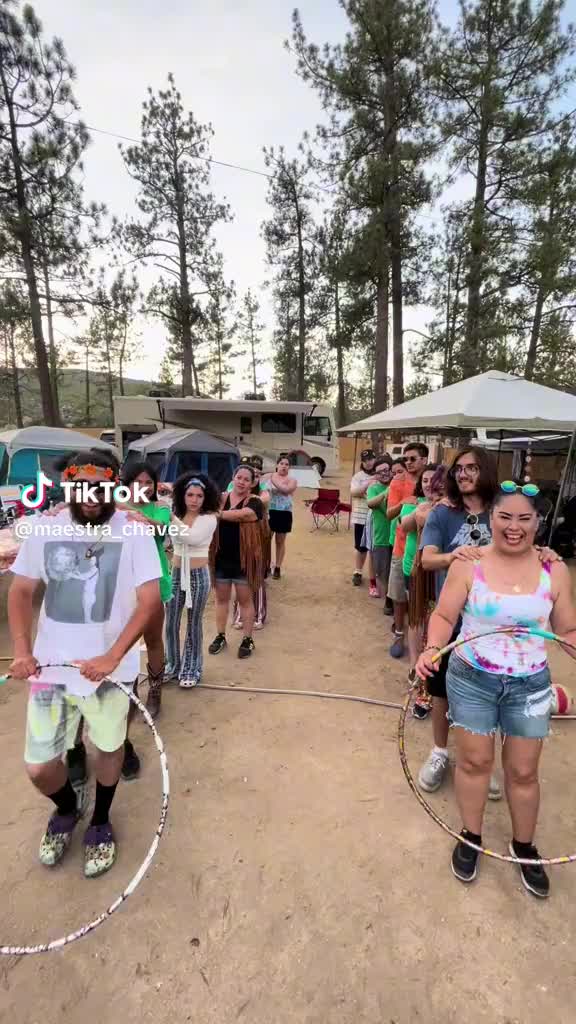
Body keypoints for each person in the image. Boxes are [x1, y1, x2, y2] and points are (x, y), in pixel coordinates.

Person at [416, 482, 576, 899]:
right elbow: (445, 613)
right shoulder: (468, 563)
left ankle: (524, 846)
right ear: (491, 519)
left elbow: (566, 627)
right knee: (474, 763)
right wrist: (433, 648)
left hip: (530, 683)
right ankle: (471, 836)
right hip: (471, 678)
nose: (514, 527)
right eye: (505, 517)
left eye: (525, 518)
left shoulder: (553, 569)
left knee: (523, 771)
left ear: (539, 523)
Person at [7, 449, 162, 877]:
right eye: (82, 486)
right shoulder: (45, 527)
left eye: (100, 486)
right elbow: (20, 592)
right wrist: (23, 649)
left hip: (112, 673)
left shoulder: (132, 532)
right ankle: (68, 807)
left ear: (113, 486)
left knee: (109, 748)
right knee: (39, 767)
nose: (91, 495)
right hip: (51, 671)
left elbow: (149, 602)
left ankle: (100, 820)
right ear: (69, 486)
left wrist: (113, 656)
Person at [163, 473, 219, 687]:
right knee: (171, 622)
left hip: (198, 575)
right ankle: (172, 665)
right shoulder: (176, 512)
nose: (194, 499)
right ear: (182, 495)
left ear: (206, 497)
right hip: (176, 572)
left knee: (193, 622)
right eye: (189, 494)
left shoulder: (209, 518)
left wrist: (169, 517)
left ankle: (191, 668)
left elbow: (192, 537)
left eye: (199, 495)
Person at [209, 464, 265, 659]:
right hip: (221, 558)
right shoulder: (221, 498)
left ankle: (247, 639)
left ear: (252, 483)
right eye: (238, 477)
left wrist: (219, 514)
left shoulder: (255, 501)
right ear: (233, 478)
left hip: (244, 560)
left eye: (246, 479)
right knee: (221, 600)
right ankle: (220, 635)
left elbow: (246, 514)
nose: (241, 482)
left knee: (245, 601)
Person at [400, 463, 440, 714]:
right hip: (415, 571)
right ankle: (417, 669)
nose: (429, 485)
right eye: (425, 481)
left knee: (435, 628)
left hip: (441, 577)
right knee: (418, 621)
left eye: (435, 481)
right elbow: (403, 526)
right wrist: (420, 512)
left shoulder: (452, 510)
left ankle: (430, 684)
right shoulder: (418, 505)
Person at [386, 443, 429, 658]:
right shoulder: (398, 481)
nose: (408, 463)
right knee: (399, 595)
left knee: (421, 597)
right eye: (406, 459)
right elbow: (389, 514)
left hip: (426, 552)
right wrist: (405, 501)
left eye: (413, 459)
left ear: (424, 460)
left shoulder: (433, 482)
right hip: (401, 547)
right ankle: (399, 633)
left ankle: (421, 637)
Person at [231, 456, 271, 629]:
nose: (244, 481)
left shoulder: (262, 495)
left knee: (256, 576)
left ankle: (258, 615)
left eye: (254, 474)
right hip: (237, 540)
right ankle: (239, 615)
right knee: (239, 578)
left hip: (258, 540)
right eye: (240, 477)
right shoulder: (232, 493)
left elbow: (257, 505)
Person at [262, 454, 297, 580]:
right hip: (269, 511)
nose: (284, 466)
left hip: (284, 512)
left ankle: (277, 567)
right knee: (266, 539)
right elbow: (260, 487)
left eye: (287, 464)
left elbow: (286, 490)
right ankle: (265, 565)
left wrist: (273, 479)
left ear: (289, 467)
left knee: (280, 541)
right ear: (277, 465)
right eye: (281, 463)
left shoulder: (292, 480)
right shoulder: (267, 477)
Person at [366, 457, 393, 607]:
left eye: (386, 469)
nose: (384, 473)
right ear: (375, 475)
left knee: (395, 571)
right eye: (379, 472)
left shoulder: (398, 485)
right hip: (382, 536)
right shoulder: (374, 488)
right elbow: (370, 503)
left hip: (397, 536)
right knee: (382, 571)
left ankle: (391, 600)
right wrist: (387, 492)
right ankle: (388, 598)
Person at [350, 449, 378, 592]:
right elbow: (353, 492)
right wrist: (368, 484)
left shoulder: (380, 474)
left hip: (376, 517)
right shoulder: (358, 476)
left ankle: (375, 576)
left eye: (371, 459)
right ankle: (358, 571)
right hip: (360, 517)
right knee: (360, 547)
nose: (369, 462)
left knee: (374, 547)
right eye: (366, 460)